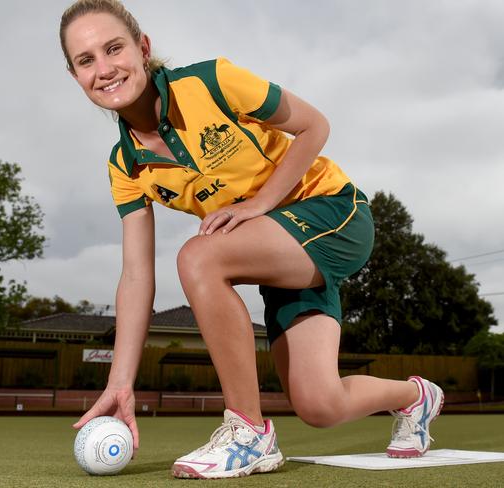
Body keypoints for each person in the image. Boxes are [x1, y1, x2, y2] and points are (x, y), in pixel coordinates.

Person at [60, 0, 444, 479]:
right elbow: (137, 275)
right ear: (75, 76)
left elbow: (314, 125)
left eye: (113, 48)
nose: (104, 68)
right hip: (277, 253)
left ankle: (249, 433)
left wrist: (261, 203)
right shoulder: (125, 166)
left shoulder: (211, 81)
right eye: (86, 60)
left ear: (142, 48)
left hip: (334, 213)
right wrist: (120, 383)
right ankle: (418, 398)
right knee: (318, 404)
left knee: (199, 257)